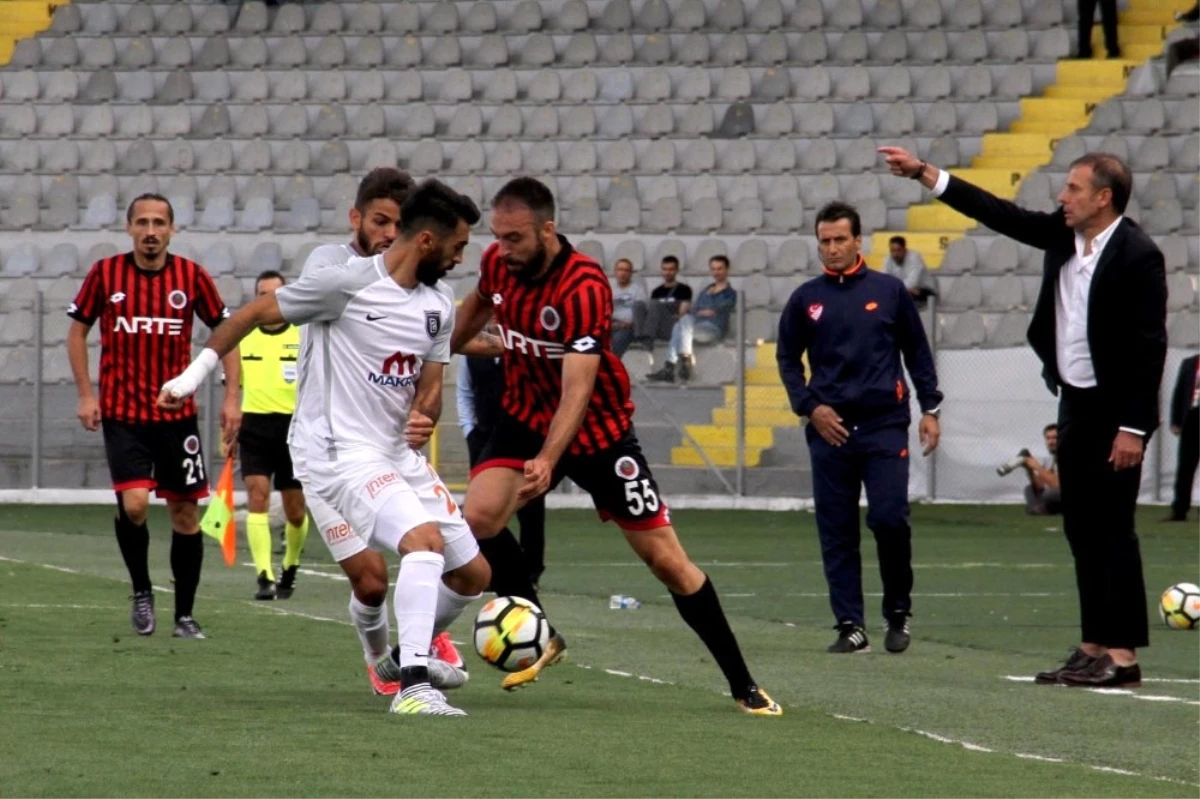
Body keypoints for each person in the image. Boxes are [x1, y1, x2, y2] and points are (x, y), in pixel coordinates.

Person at [161, 179, 492, 717]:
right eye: (458, 248)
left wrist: (424, 417)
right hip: (342, 454)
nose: (462, 259)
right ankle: (412, 685)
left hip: (395, 454)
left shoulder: (436, 304)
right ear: (429, 242)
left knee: (473, 575)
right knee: (419, 546)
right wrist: (191, 377)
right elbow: (248, 316)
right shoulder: (345, 283)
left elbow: (429, 385)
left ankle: (405, 655)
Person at [451, 177, 780, 716]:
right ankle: (543, 632)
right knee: (477, 519)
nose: (503, 249)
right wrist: (453, 353)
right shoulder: (495, 265)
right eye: (499, 237)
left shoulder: (584, 286)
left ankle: (743, 683)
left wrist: (548, 460)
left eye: (515, 238)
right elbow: (461, 328)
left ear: (547, 230)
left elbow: (578, 390)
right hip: (523, 417)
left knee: (668, 563)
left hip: (599, 434)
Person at [881, 145, 1166, 688]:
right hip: (1076, 401)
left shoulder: (1137, 254)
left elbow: (1151, 346)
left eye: (1074, 189)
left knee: (1114, 531)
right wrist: (925, 174)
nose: (1063, 197)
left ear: (1104, 198)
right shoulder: (1063, 237)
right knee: (1080, 528)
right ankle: (1092, 646)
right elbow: (997, 213)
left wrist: (1135, 427)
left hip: (1116, 411)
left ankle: (1124, 656)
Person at [65, 194, 240, 641]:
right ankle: (142, 590)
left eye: (159, 222)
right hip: (124, 414)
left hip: (177, 417)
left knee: (186, 516)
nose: (150, 230)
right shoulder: (106, 274)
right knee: (136, 505)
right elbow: (77, 331)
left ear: (171, 230)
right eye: (142, 222)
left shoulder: (192, 276)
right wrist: (87, 395)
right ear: (129, 229)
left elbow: (227, 333)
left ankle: (185, 615)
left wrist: (231, 396)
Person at [776, 201, 942, 655]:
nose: (831, 249)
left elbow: (917, 353)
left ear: (858, 241)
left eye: (840, 240)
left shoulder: (889, 291)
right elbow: (787, 360)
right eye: (824, 241)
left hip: (884, 426)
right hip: (829, 431)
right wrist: (811, 407)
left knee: (889, 518)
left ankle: (898, 613)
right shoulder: (805, 298)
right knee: (837, 528)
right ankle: (850, 624)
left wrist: (931, 407)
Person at [238, 270, 309, 600]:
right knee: (257, 497)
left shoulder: (302, 334)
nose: (269, 300)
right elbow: (233, 386)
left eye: (275, 294)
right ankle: (264, 575)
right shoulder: (244, 336)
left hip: (293, 430)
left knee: (295, 511)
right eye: (262, 294)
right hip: (254, 427)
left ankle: (290, 566)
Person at [457, 344, 546, 586]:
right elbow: (464, 393)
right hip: (484, 438)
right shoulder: (471, 353)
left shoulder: (523, 350)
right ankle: (490, 568)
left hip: (521, 436)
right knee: (481, 509)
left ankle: (532, 569)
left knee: (530, 505)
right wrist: (470, 431)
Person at [646, 255, 737, 384]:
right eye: (713, 269)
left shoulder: (730, 293)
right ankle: (681, 361)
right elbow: (696, 309)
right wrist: (703, 312)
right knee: (680, 325)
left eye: (720, 269)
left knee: (683, 323)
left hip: (713, 329)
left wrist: (704, 311)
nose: (716, 272)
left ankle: (672, 366)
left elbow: (716, 310)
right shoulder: (706, 290)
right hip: (696, 327)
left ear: (727, 270)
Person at [1166, 353, 1200, 521]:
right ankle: (1180, 509)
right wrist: (1175, 421)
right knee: (1185, 467)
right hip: (1191, 419)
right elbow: (1179, 392)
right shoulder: (1189, 363)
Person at [632, 255, 692, 350]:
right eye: (665, 269)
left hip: (672, 326)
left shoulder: (684, 289)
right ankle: (639, 338)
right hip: (656, 326)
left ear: (676, 271)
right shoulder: (656, 291)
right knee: (638, 305)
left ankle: (647, 340)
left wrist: (663, 311)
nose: (667, 272)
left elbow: (681, 314)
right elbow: (651, 315)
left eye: (671, 269)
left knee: (655, 304)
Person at [882, 235, 936, 306]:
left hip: (925, 290)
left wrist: (894, 289)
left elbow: (912, 282)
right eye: (892, 251)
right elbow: (883, 280)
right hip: (903, 290)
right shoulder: (888, 259)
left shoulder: (914, 257)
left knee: (905, 294)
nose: (895, 254)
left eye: (898, 250)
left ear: (905, 250)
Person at [1022, 424, 1062, 516]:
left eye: (1055, 438)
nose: (1051, 442)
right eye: (1048, 438)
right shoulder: (1049, 460)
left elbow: (1058, 485)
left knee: (1049, 494)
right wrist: (1029, 469)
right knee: (1029, 489)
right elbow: (1040, 487)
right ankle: (1040, 509)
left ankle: (1044, 509)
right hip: (1055, 497)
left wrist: (1036, 466)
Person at [609, 258, 645, 357]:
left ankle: (612, 368)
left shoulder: (638, 290)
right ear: (615, 272)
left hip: (629, 328)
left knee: (618, 339)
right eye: (620, 270)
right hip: (612, 325)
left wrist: (628, 324)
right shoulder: (609, 290)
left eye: (626, 270)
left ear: (631, 273)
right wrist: (614, 325)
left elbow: (641, 312)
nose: (623, 273)